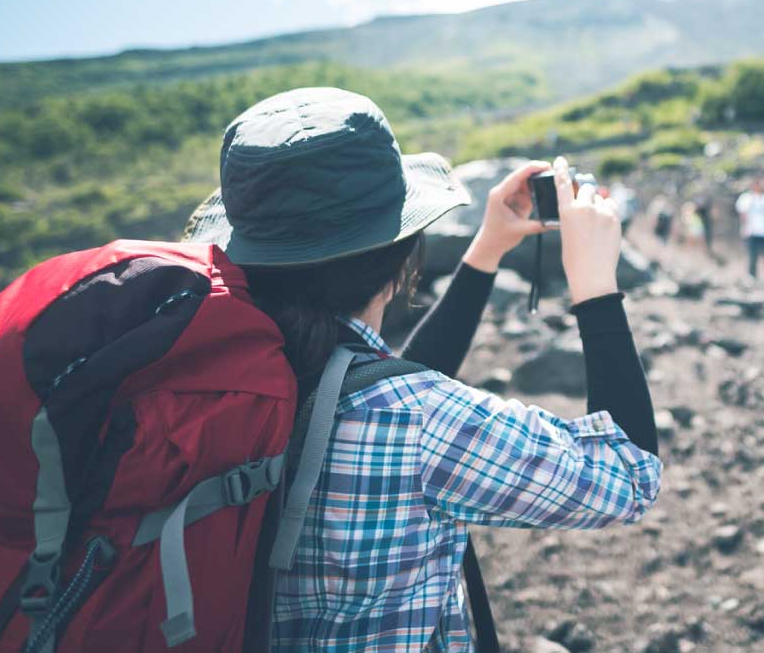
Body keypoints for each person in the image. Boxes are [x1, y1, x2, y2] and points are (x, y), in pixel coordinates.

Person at [185, 88, 661, 652]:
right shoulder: (417, 422)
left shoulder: (223, 374)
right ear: (401, 255)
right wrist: (596, 287)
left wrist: (487, 250)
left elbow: (385, 380)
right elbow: (629, 477)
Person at [735, 175, 764, 281]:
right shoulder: (746, 198)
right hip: (752, 232)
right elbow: (743, 215)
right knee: (753, 256)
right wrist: (745, 228)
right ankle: (752, 276)